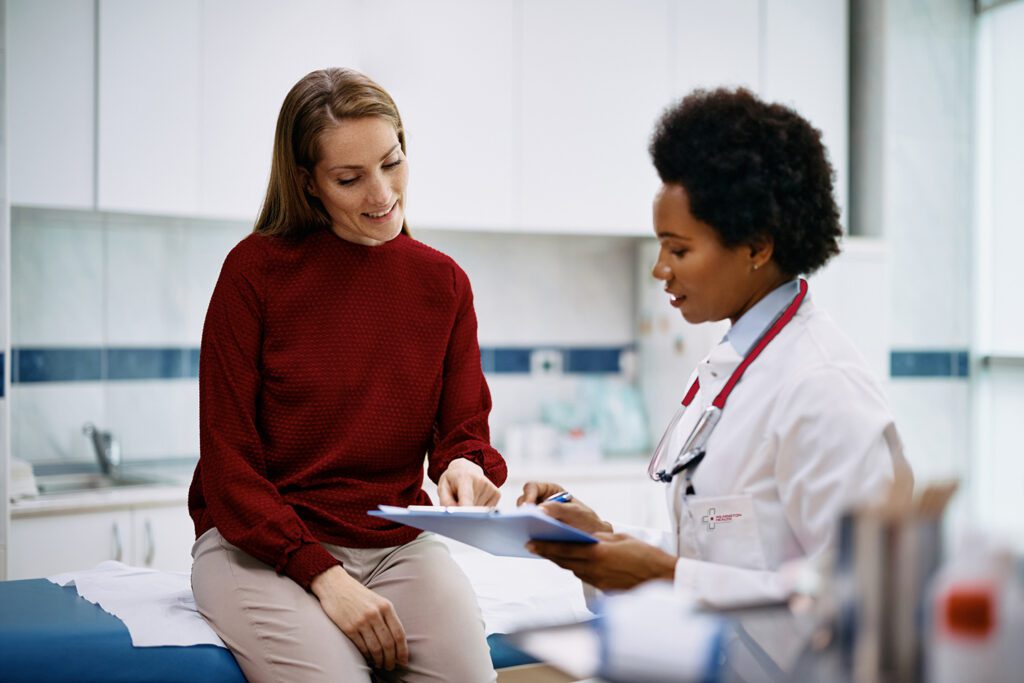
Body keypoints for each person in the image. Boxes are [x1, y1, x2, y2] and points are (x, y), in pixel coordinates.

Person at [521, 88, 912, 616]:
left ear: (757, 246)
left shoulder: (823, 386)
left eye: (678, 249)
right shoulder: (733, 368)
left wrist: (664, 577)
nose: (660, 268)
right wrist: (603, 540)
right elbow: (727, 555)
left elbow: (866, 596)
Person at [188, 68, 506, 683]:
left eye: (392, 162)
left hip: (396, 544)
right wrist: (323, 576)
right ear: (307, 182)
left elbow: (464, 433)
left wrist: (465, 467)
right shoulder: (253, 273)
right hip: (257, 548)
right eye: (349, 178)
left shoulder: (443, 283)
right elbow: (229, 472)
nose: (382, 192)